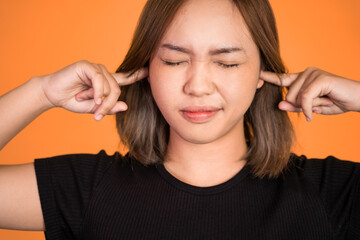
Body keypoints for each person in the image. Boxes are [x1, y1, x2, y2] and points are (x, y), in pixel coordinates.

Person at [0, 0, 359, 239]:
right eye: (174, 60)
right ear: (146, 69)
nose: (197, 86)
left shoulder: (330, 193)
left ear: (262, 72)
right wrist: (41, 92)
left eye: (227, 62)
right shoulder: (89, 189)